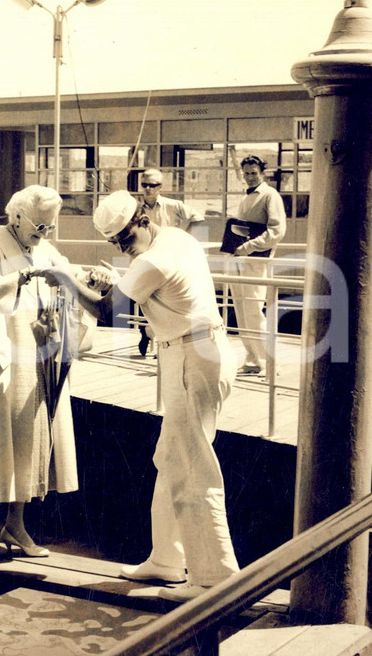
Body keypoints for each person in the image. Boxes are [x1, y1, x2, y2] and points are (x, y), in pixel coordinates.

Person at [35, 189, 239, 600]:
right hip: (202, 353)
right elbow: (138, 288)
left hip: (189, 361)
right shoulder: (177, 238)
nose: (122, 249)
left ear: (144, 220)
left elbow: (109, 310)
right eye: (114, 244)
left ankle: (215, 580)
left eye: (124, 240)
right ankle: (165, 560)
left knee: (193, 472)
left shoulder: (152, 260)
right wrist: (111, 279)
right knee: (171, 460)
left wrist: (65, 279)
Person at [0, 185, 83, 561]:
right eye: (40, 226)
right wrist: (22, 278)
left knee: (32, 435)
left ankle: (15, 525)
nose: (45, 234)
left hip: (36, 345)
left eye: (51, 227)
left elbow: (66, 272)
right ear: (18, 217)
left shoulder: (42, 244)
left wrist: (81, 280)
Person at [135, 168, 206, 356]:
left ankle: (156, 340)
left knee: (167, 306)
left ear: (160, 187)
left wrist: (184, 238)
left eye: (153, 185)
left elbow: (198, 217)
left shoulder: (173, 205)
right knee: (150, 305)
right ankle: (150, 333)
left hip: (168, 263)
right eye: (145, 185)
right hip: (146, 262)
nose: (148, 189)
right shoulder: (135, 209)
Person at [229, 155, 286, 376]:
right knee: (242, 311)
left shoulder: (270, 195)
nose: (250, 177)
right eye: (246, 173)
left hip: (257, 259)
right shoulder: (247, 198)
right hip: (241, 260)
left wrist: (250, 246)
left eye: (254, 173)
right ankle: (252, 359)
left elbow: (276, 231)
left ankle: (271, 363)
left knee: (254, 311)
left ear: (262, 172)